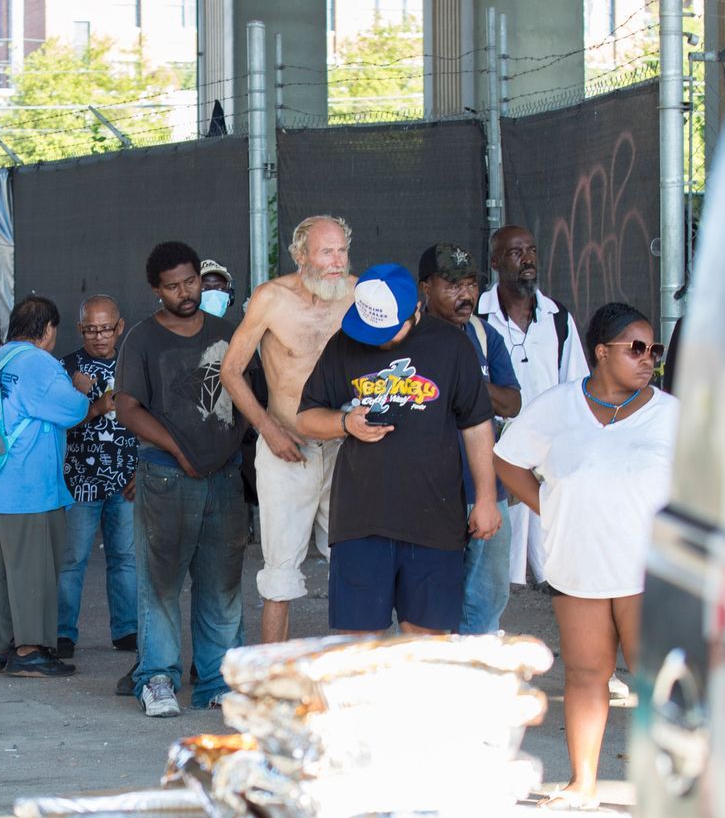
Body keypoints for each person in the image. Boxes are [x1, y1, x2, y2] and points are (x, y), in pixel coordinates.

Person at [494, 302, 680, 809]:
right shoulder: (556, 408)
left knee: (655, 683)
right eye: (636, 349)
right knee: (584, 674)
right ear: (601, 352)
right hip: (579, 563)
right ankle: (583, 785)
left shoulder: (671, 414)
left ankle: (667, 794)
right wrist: (550, 505)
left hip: (648, 570)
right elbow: (507, 461)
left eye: (654, 350)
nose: (648, 359)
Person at [294, 263, 501, 636]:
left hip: (435, 522)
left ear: (415, 310)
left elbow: (476, 425)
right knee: (356, 649)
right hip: (361, 521)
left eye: (387, 332)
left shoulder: (451, 346)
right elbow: (306, 418)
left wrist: (486, 498)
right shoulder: (345, 343)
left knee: (425, 649)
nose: (376, 341)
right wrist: (345, 423)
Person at [114, 240, 249, 717]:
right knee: (161, 584)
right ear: (156, 289)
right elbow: (127, 407)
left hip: (225, 478)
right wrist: (179, 449)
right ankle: (156, 679)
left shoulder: (228, 333)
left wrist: (227, 450)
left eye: (190, 281)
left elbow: (250, 399)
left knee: (222, 585)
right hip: (166, 477)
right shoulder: (142, 339)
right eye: (172, 286)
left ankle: (218, 681)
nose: (185, 292)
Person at [218, 214, 353, 645]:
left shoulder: (358, 294)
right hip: (286, 448)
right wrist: (268, 428)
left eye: (342, 250)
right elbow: (231, 370)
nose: (338, 261)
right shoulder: (272, 298)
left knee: (356, 560)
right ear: (301, 255)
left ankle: (353, 671)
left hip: (347, 446)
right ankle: (273, 673)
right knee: (279, 572)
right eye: (327, 252)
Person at [0, 296, 92, 676]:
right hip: (27, 487)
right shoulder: (38, 362)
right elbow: (72, 410)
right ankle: (29, 652)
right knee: (32, 570)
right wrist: (81, 388)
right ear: (48, 329)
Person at [418, 243, 523, 634]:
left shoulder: (483, 334)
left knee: (486, 601)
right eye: (452, 285)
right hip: (428, 493)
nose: (465, 294)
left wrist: (465, 381)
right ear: (425, 287)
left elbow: (512, 402)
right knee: (428, 605)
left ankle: (476, 665)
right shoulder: (407, 337)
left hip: (484, 490)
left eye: (471, 284)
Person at [480, 225, 589, 589]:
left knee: (550, 554)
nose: (527, 259)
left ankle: (549, 586)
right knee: (499, 549)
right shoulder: (478, 317)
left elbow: (576, 382)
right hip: (494, 441)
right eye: (515, 253)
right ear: (496, 262)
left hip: (548, 445)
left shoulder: (558, 317)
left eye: (531, 251)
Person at [56, 295, 138, 659]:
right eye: (91, 329)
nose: (99, 336)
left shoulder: (135, 364)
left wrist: (143, 468)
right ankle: (62, 633)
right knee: (71, 560)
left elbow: (152, 418)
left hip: (127, 479)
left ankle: (127, 630)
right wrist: (94, 406)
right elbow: (58, 423)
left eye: (106, 328)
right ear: (80, 329)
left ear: (120, 327)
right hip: (79, 481)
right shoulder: (65, 368)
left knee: (126, 557)